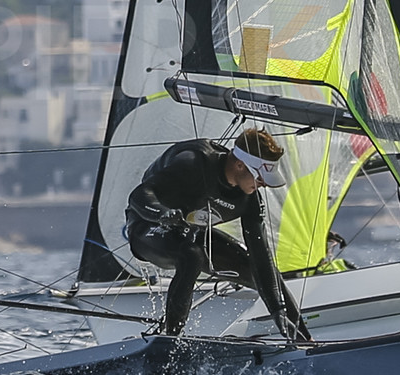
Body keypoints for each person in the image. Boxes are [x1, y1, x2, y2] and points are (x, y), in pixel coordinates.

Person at [125, 127, 311, 340]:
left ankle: (303, 340)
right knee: (192, 255)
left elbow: (261, 257)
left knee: (257, 271)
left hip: (191, 233)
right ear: (240, 165)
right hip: (147, 227)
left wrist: (278, 310)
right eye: (259, 178)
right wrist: (162, 213)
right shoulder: (193, 162)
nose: (263, 185)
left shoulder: (249, 199)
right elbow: (139, 195)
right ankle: (171, 339)